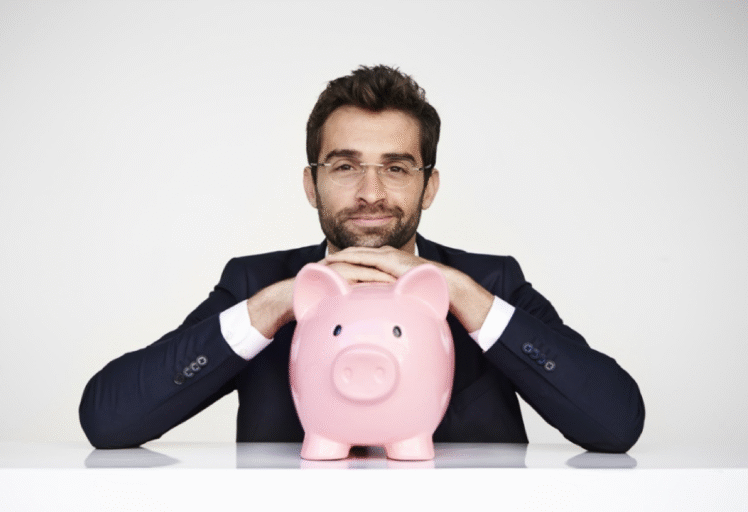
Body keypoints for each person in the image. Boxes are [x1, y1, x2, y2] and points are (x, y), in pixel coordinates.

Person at [79, 65, 644, 453]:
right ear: (312, 184)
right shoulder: (256, 283)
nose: (371, 192)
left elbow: (615, 422)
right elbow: (110, 420)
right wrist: (273, 305)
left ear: (429, 187)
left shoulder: (491, 282)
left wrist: (471, 302)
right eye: (345, 166)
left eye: (396, 168)